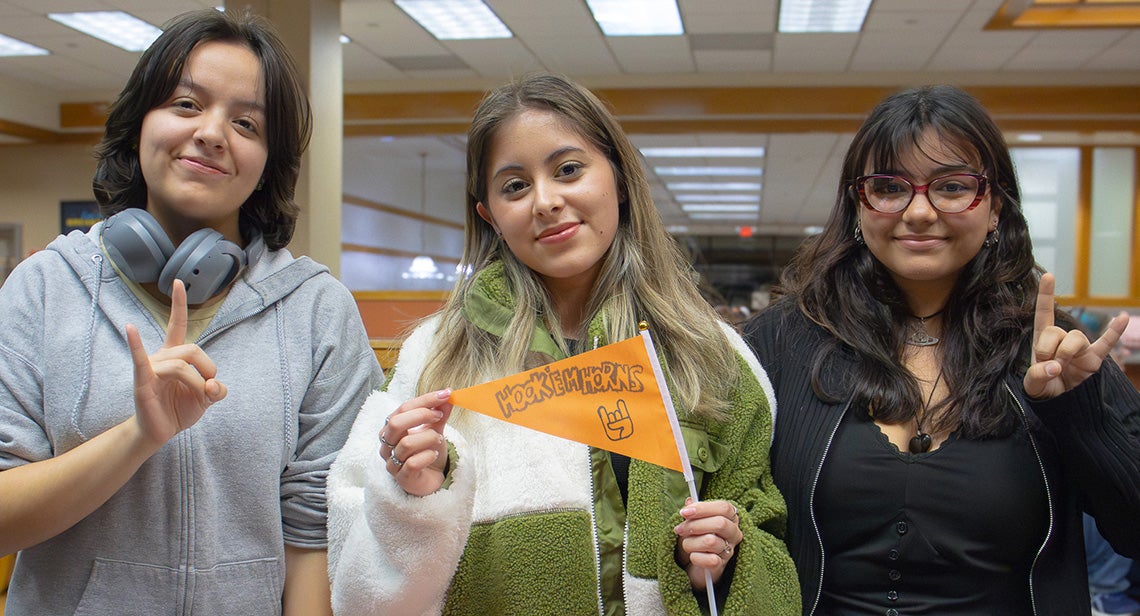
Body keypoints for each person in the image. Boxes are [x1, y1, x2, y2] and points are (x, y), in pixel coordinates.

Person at [326, 74, 799, 615]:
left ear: (618, 179)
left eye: (568, 170)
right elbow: (357, 591)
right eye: (514, 186)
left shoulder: (710, 356)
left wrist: (718, 563)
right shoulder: (431, 361)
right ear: (490, 217)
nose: (546, 201)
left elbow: (769, 538)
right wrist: (413, 497)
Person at [0, 9, 382, 615]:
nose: (211, 132)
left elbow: (316, 530)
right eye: (185, 104)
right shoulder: (42, 290)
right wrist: (137, 437)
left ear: (266, 165)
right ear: (137, 124)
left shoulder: (317, 311)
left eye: (246, 123)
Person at [743, 84, 1140, 615]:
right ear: (858, 203)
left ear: (995, 207)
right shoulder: (781, 341)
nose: (920, 211)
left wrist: (1081, 415)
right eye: (889, 187)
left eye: (952, 187)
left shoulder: (1054, 351)